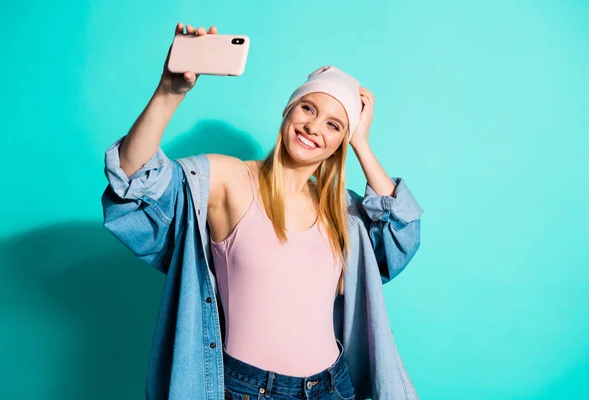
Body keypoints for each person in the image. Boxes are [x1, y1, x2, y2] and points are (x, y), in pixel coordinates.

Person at [102, 22, 424, 400]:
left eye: (333, 125)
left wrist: (362, 144)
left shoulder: (344, 210)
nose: (313, 127)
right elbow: (134, 179)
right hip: (247, 390)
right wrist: (169, 93)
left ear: (340, 142)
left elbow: (402, 234)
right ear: (288, 111)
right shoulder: (229, 179)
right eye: (308, 108)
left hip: (333, 387)